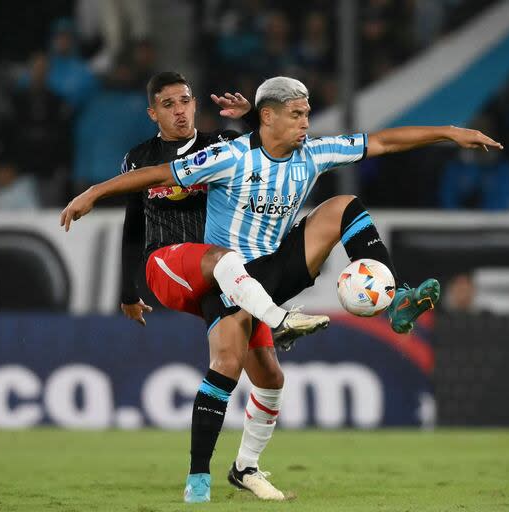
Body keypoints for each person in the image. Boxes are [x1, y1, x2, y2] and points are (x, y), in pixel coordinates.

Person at [61, 76, 502, 502]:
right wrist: (93, 193)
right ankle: (205, 477)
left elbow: (383, 142)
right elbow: (158, 173)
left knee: (343, 206)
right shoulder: (230, 156)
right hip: (230, 281)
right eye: (297, 115)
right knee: (247, 371)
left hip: (274, 274)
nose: (306, 124)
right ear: (268, 117)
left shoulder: (314, 152)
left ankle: (396, 296)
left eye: (307, 114)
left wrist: (449, 132)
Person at [78, 72, 328, 502]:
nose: (180, 110)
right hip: (171, 261)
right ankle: (279, 319)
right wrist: (127, 290)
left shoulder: (222, 144)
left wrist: (253, 117)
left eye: (186, 101)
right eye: (169, 104)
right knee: (220, 262)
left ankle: (228, 472)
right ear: (153, 113)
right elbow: (134, 225)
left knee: (260, 371)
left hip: (227, 274)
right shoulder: (139, 159)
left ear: (195, 104)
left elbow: (268, 152)